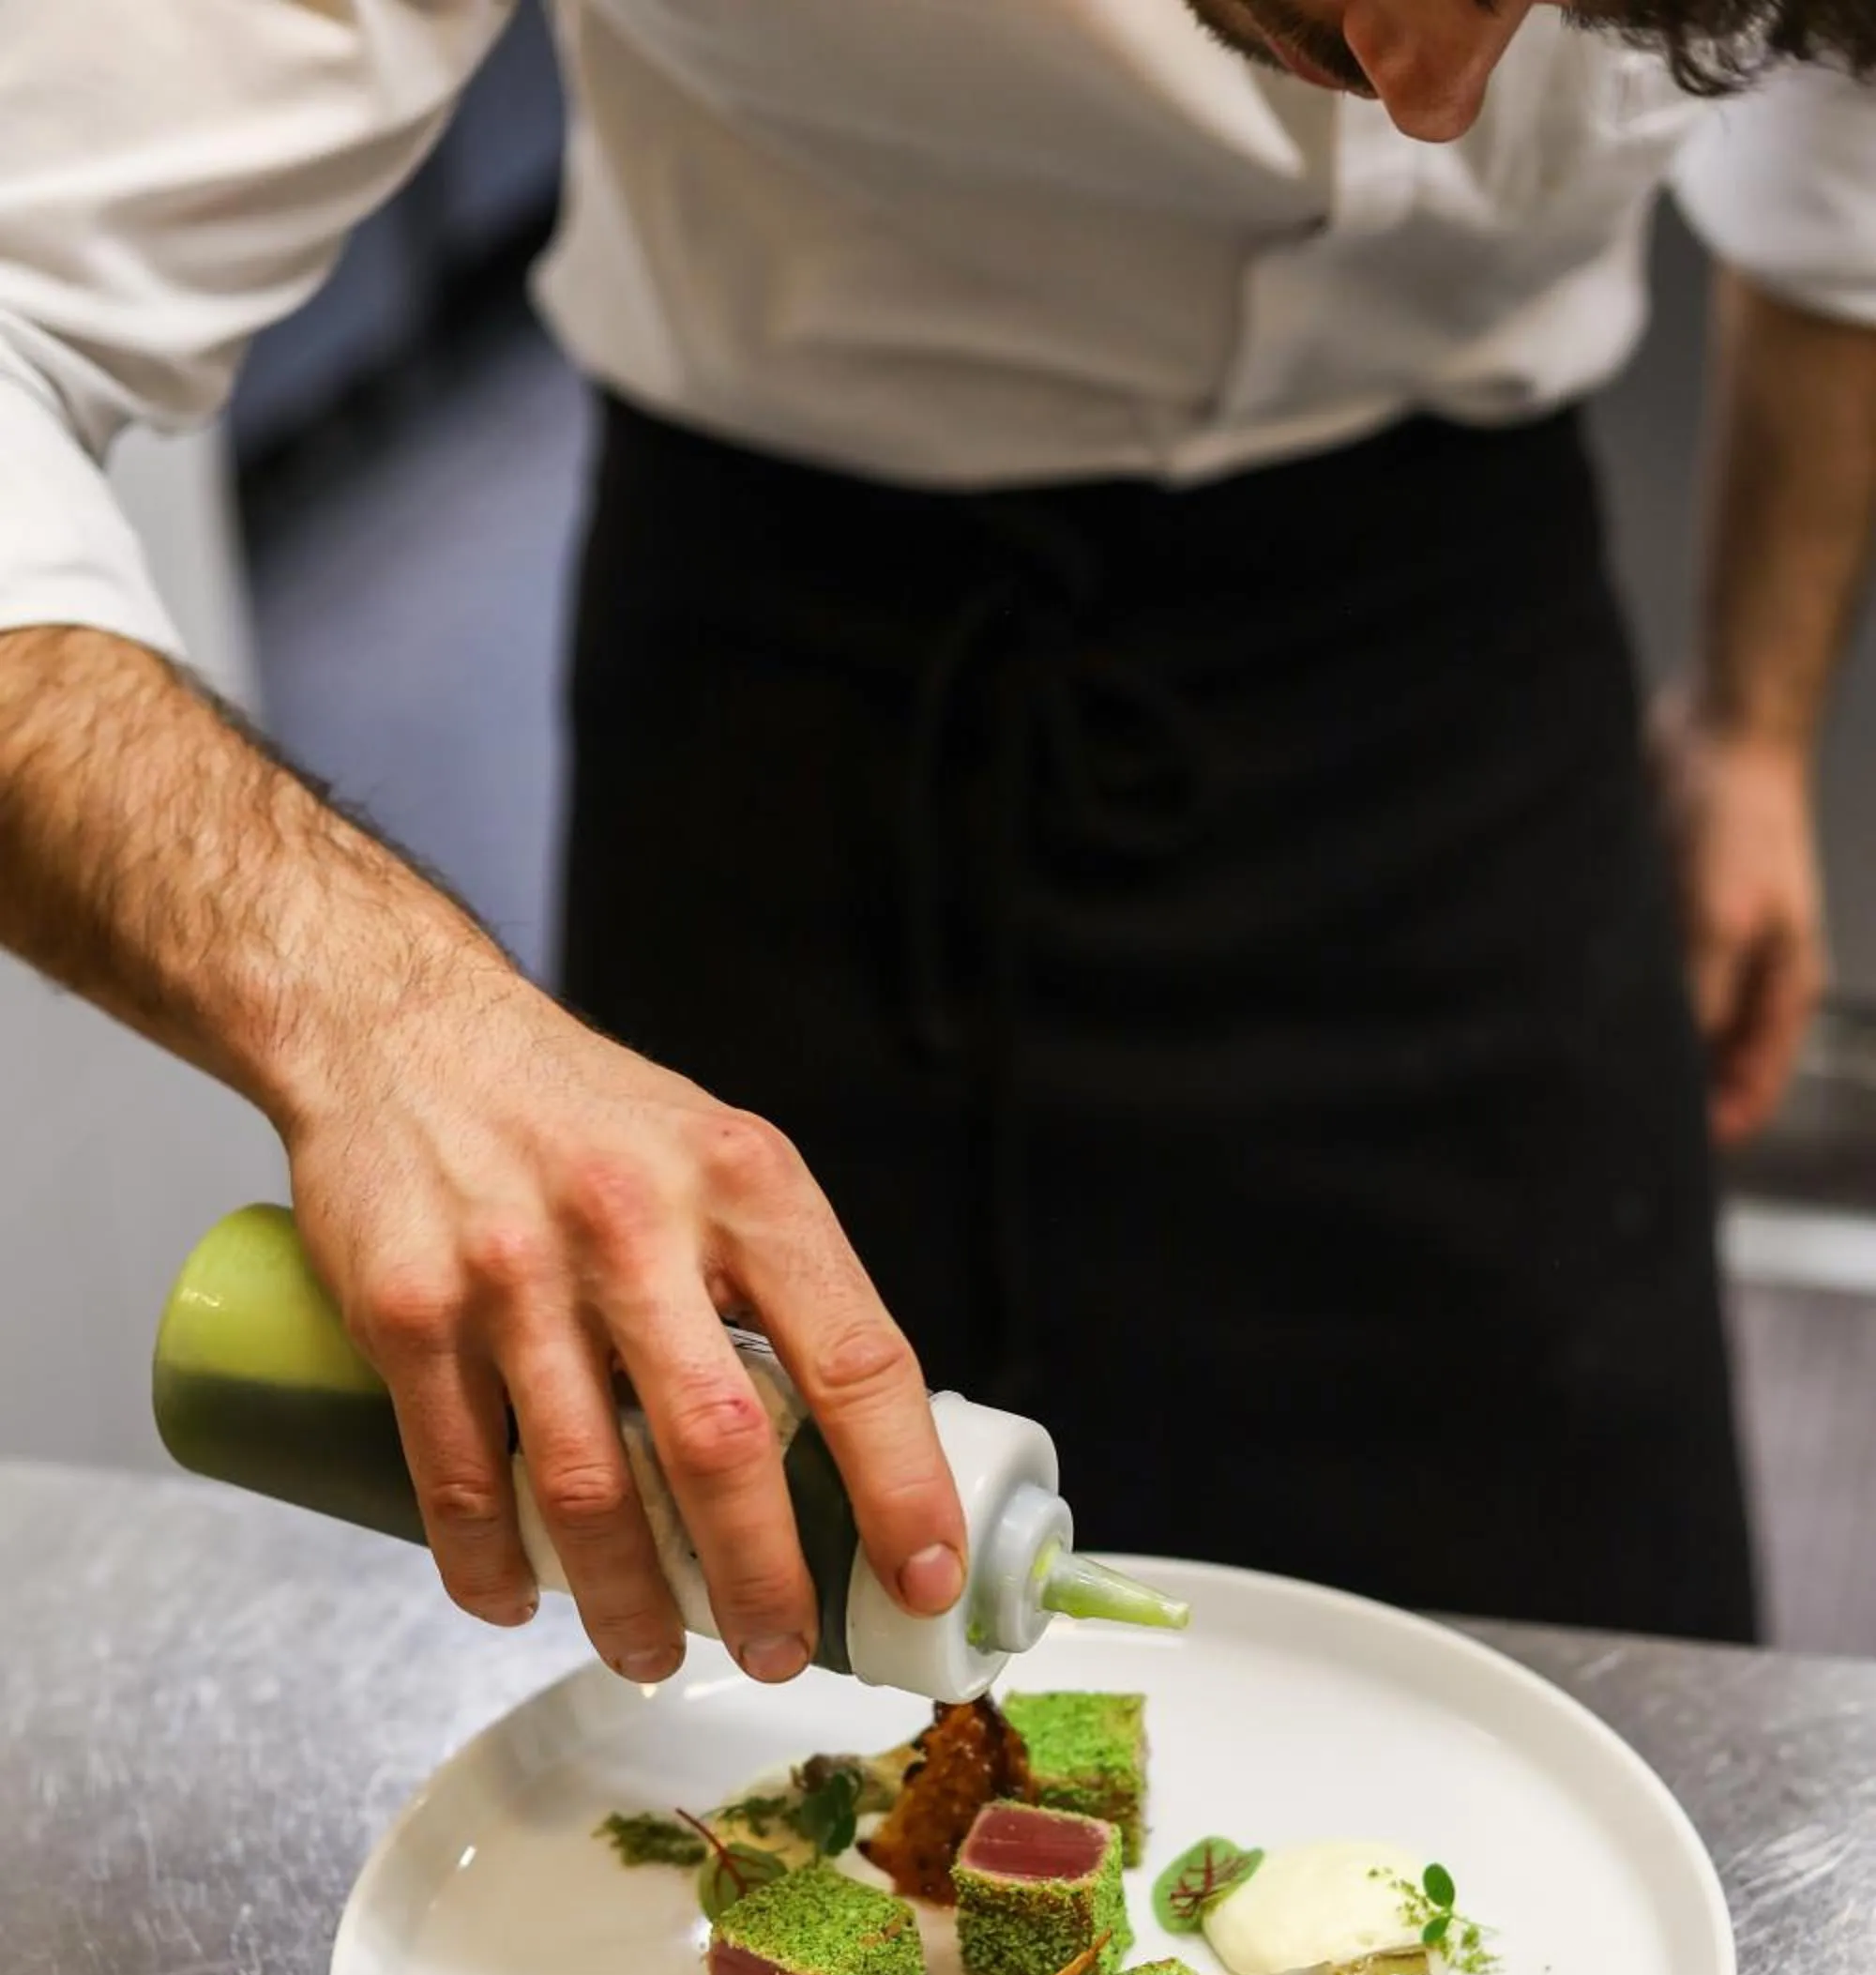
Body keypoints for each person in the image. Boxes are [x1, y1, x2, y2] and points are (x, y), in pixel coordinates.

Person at [3, 2, 1874, 1680]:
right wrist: (375, 1009)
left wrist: (1758, 720)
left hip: (1453, 688)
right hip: (811, 718)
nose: (1429, 95)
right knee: (759, 1774)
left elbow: (1842, 169)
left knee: (1594, 1716)